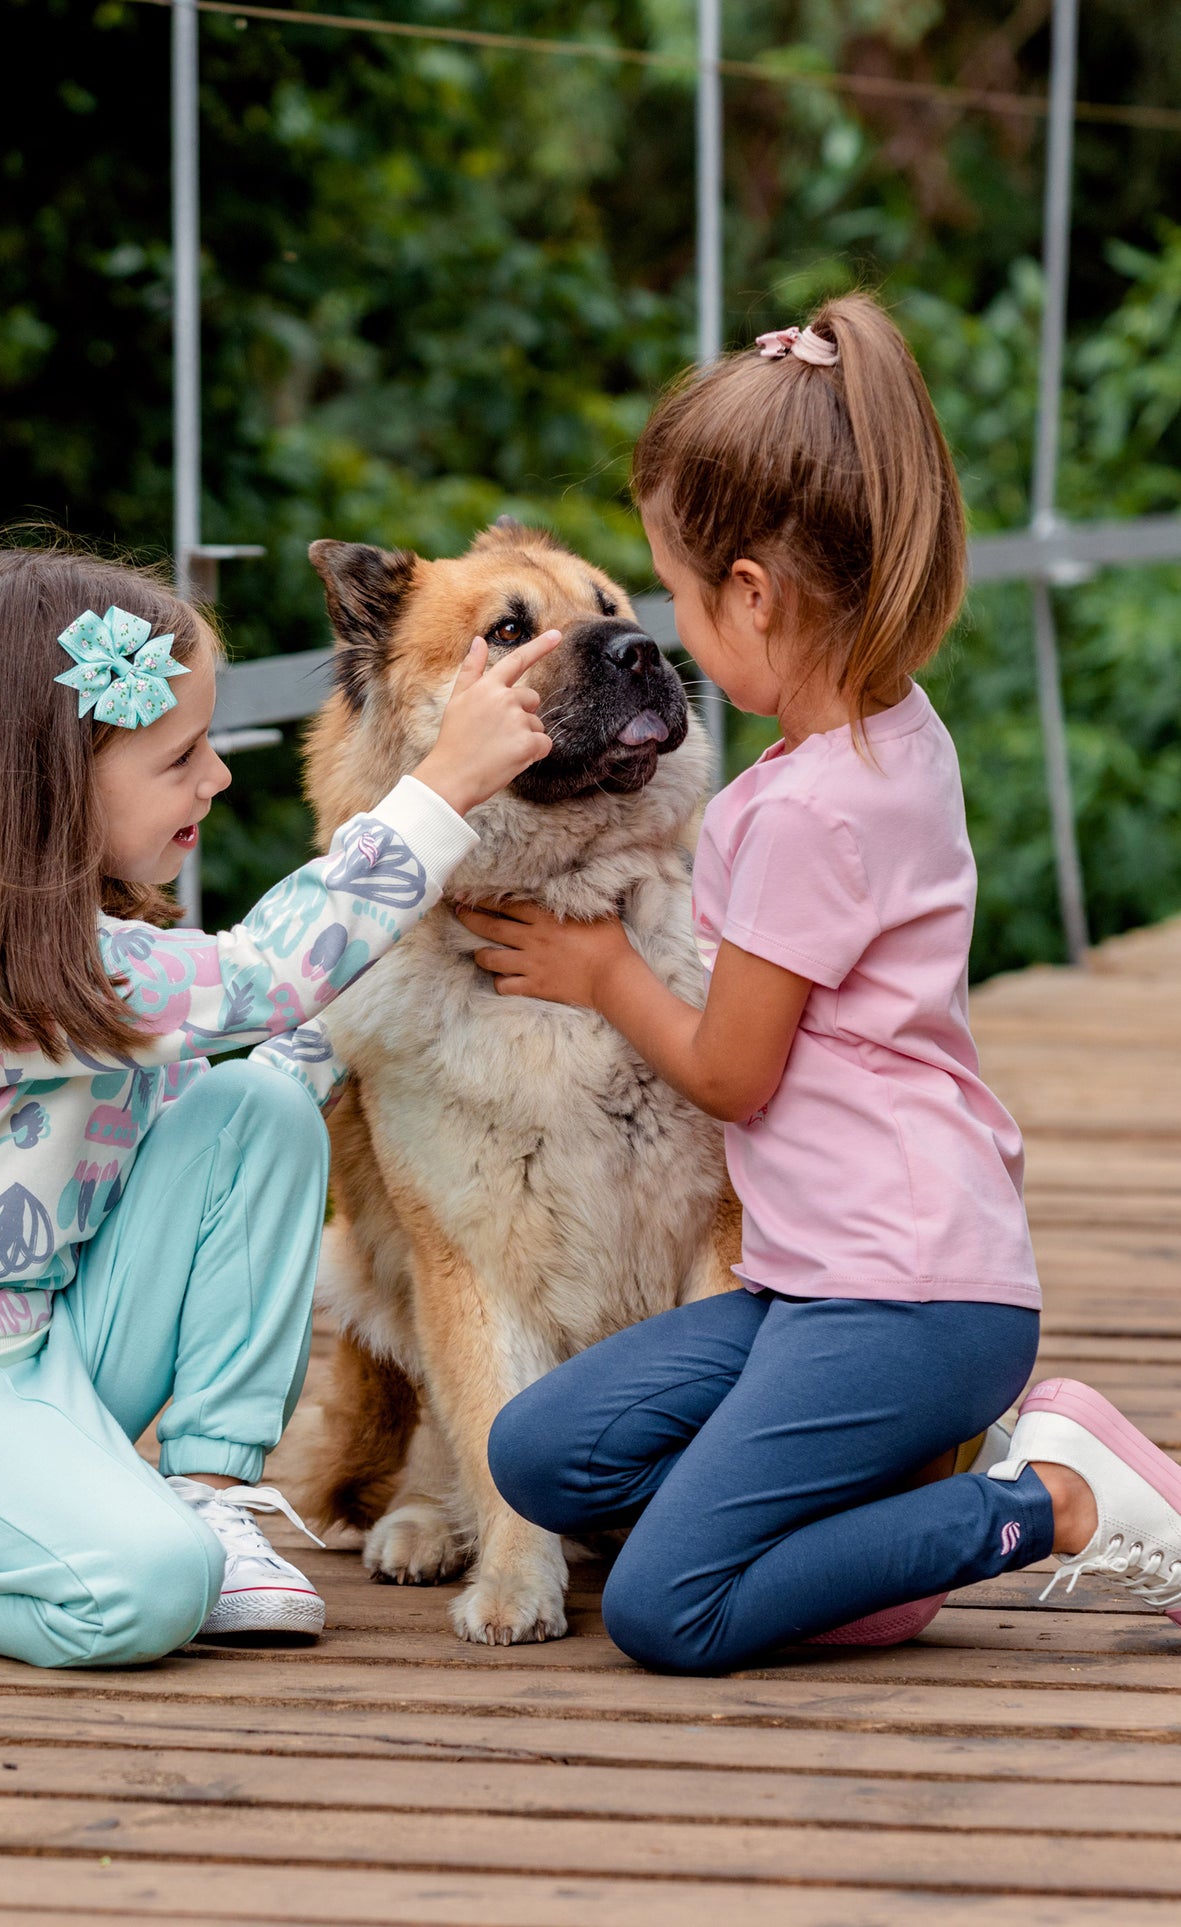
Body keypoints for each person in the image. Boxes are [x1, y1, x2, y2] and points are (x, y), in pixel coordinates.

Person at [461, 295, 1181, 1673]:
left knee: (666, 1609)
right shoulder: (896, 730)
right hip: (827, 1280)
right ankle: (849, 1549)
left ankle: (1051, 1498)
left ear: (751, 594)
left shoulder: (796, 814)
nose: (668, 623)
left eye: (671, 590)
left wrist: (604, 967)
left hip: (904, 1299)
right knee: (543, 1451)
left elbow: (736, 1072)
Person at [0, 543, 559, 1668]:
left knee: (254, 1109)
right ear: (51, 784)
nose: (219, 778)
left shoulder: (103, 960)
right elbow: (262, 976)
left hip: (43, 1349)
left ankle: (207, 1494)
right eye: (181, 755)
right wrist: (437, 789)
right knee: (145, 1596)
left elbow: (269, 1046)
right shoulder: (20, 973)